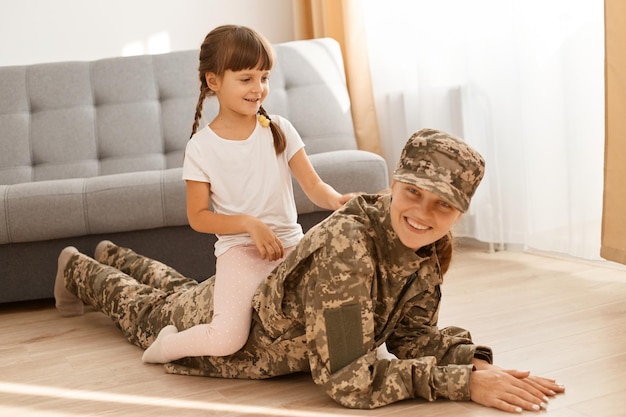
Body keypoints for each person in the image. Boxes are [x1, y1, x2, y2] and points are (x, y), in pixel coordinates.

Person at [53, 128, 565, 413]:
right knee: (147, 311)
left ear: (460, 213)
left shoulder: (426, 249)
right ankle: (80, 267)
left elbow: (412, 335)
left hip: (248, 296)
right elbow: (345, 379)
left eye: (443, 205)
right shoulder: (350, 248)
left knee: (180, 290)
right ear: (394, 183)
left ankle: (114, 251)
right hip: (236, 333)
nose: (423, 214)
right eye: (413, 192)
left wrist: (472, 363)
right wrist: (457, 384)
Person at [55, 25, 358, 363]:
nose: (258, 88)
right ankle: (166, 347)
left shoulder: (279, 130)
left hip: (289, 247)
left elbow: (313, 185)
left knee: (333, 304)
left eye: (264, 77)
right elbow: (198, 216)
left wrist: (335, 200)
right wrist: (249, 224)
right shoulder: (202, 147)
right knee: (227, 338)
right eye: (246, 79)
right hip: (240, 252)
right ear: (214, 81)